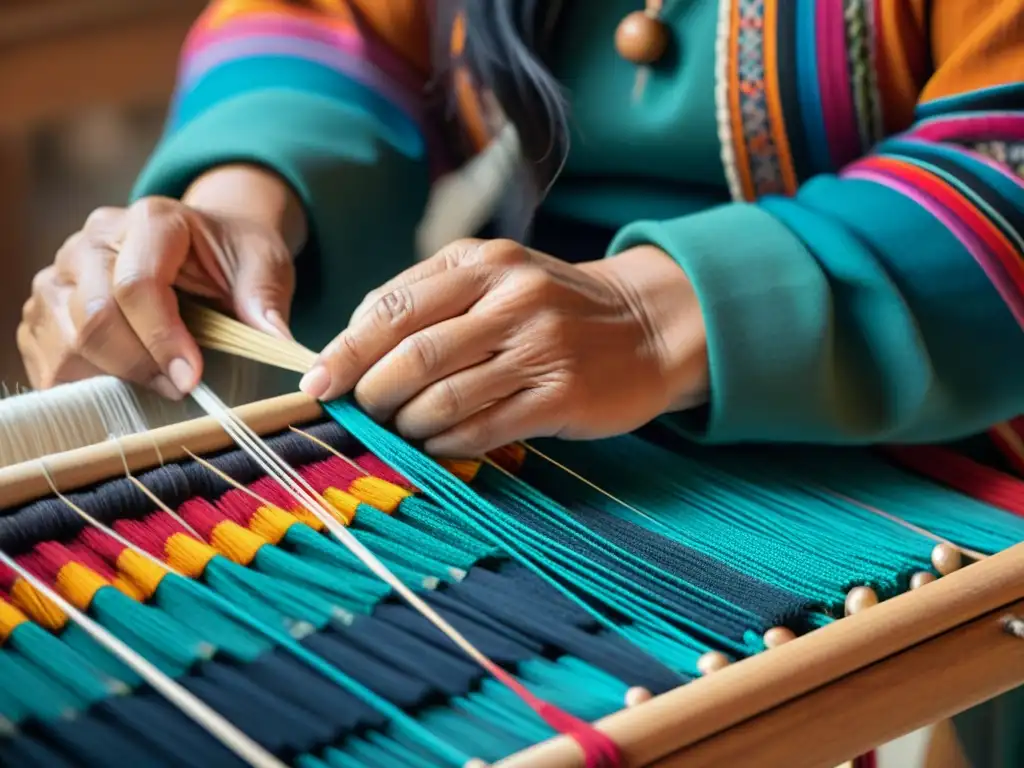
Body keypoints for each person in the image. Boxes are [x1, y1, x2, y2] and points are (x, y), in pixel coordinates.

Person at [16, 0, 1024, 763]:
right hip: (545, 407)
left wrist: (650, 315)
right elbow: (344, 23)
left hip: (951, 433)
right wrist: (239, 200)